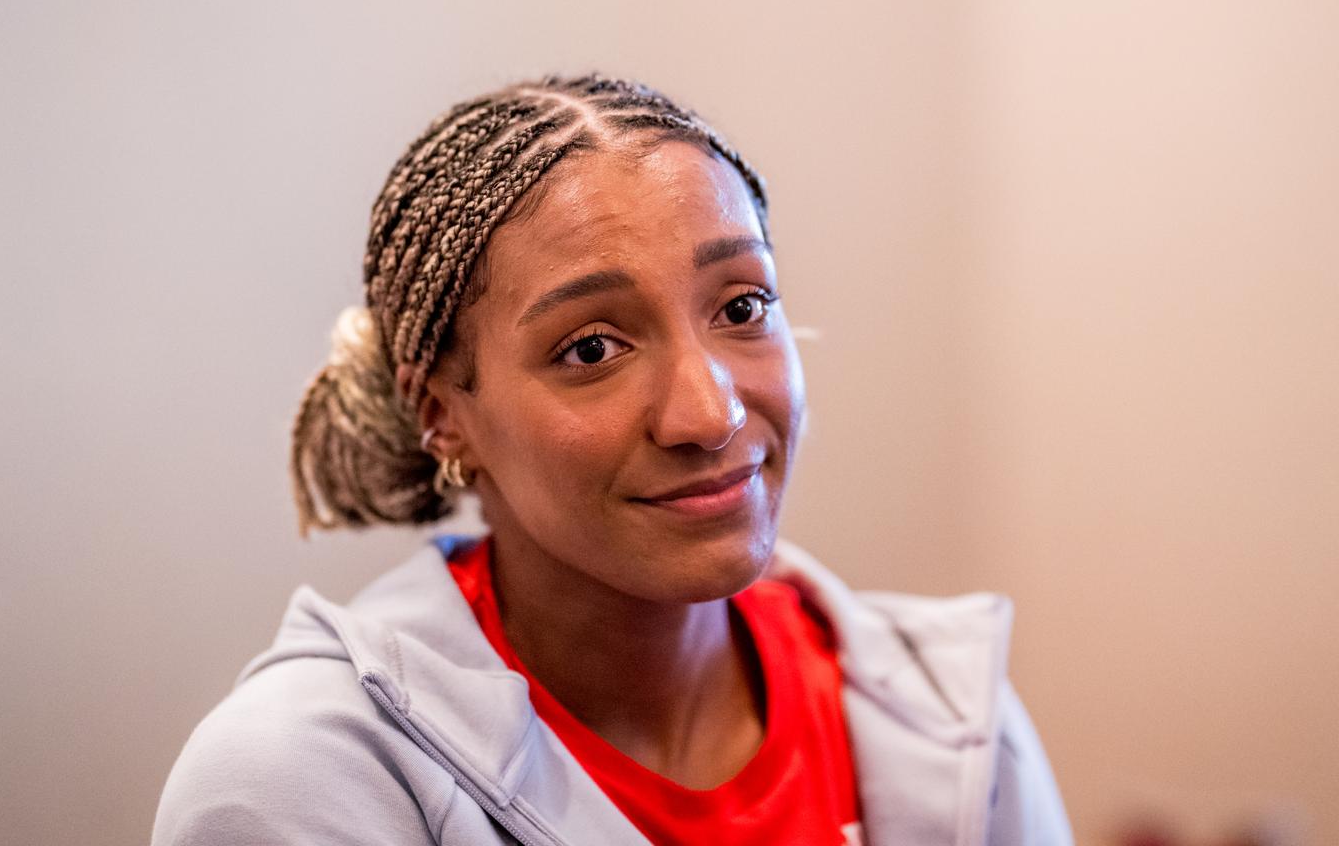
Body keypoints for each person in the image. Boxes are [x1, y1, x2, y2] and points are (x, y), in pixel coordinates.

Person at [153, 74, 1072, 846]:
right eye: (592, 348)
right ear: (444, 416)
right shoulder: (302, 784)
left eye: (743, 307)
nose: (708, 414)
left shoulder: (957, 725)